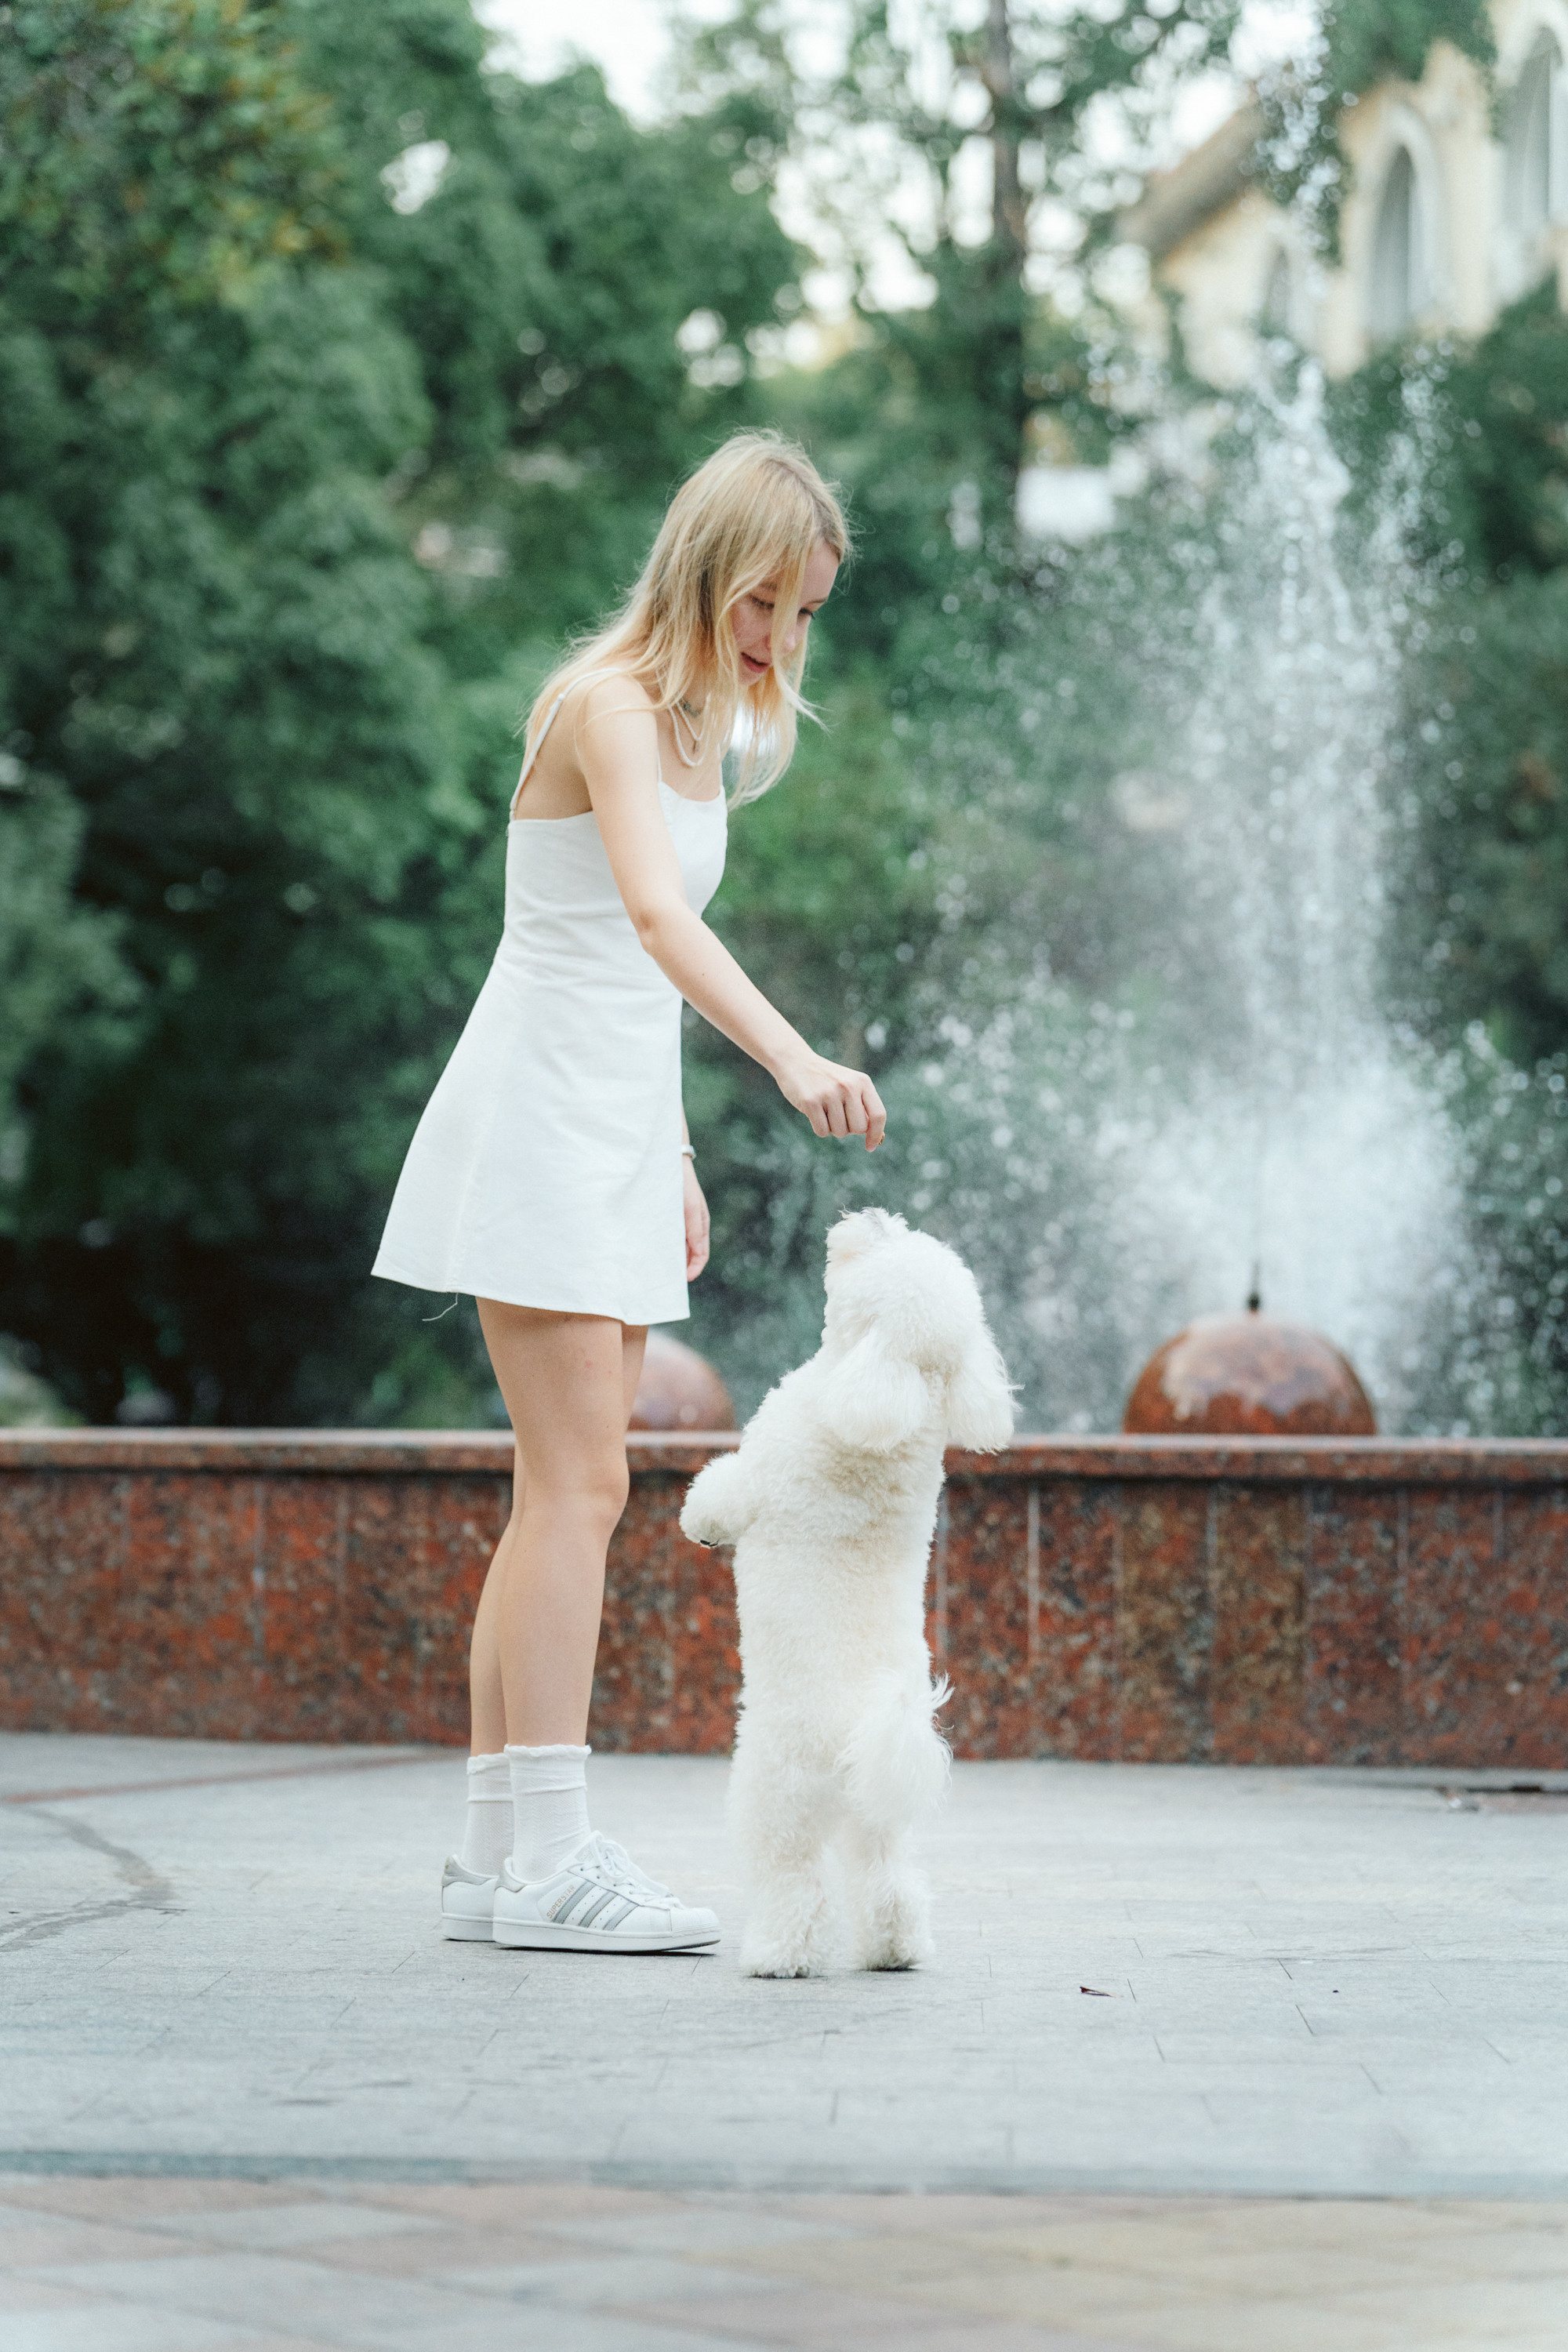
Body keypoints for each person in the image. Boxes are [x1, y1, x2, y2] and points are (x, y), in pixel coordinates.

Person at [372, 431, 886, 1953]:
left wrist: (663, 1149)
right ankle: (551, 1861)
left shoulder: (696, 731)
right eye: (764, 609)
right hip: (534, 1119)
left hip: (603, 1125)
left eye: (803, 617)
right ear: (709, 574)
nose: (782, 645)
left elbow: (629, 976)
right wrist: (793, 1058)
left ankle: (491, 1864)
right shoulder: (603, 705)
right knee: (582, 1493)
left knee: (558, 1495)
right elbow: (650, 921)